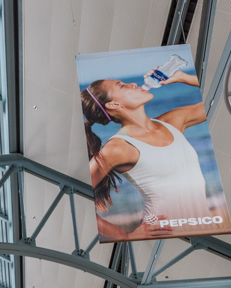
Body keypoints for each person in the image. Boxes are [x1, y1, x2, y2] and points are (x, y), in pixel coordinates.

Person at [81, 71, 229, 239]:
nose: (134, 84)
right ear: (113, 105)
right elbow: (77, 190)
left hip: (202, 229)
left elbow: (221, 96)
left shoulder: (172, 122)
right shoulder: (117, 147)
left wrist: (182, 77)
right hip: (165, 237)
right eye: (122, 86)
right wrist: (126, 235)